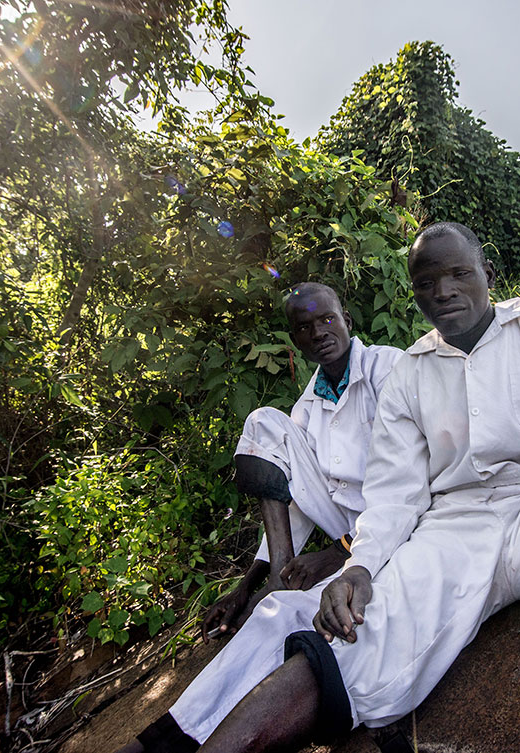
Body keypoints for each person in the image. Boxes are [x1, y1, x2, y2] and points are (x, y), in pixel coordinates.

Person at [197, 222, 520, 753]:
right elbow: (394, 494)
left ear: (487, 273)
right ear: (414, 292)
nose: (443, 292)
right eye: (426, 282)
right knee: (358, 630)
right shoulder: (410, 374)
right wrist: (360, 567)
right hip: (458, 536)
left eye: (459, 274)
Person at [117, 282, 403, 753]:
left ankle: (174, 737)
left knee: (276, 619)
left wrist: (339, 553)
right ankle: (166, 738)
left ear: (347, 318)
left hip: (395, 522)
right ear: (295, 340)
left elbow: (415, 477)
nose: (319, 333)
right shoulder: (308, 404)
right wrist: (247, 582)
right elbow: (299, 500)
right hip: (346, 524)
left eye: (327, 319)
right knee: (263, 423)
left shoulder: (388, 368)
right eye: (305, 327)